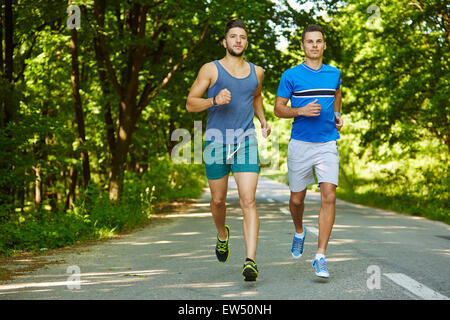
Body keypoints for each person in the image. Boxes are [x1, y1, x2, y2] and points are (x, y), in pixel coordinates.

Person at [186, 19, 271, 281]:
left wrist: (263, 120)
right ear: (224, 41)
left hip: (245, 140)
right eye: (233, 36)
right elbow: (190, 103)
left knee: (248, 200)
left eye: (242, 37)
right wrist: (214, 100)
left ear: (246, 42)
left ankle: (250, 261)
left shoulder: (257, 72)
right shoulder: (210, 69)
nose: (237, 41)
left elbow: (256, 97)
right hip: (216, 141)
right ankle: (222, 235)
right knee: (219, 201)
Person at [274, 24, 343, 278]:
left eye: (319, 41)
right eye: (310, 41)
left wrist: (336, 113)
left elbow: (337, 93)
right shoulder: (290, 75)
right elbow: (278, 109)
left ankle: (320, 256)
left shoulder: (334, 72)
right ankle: (299, 230)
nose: (314, 45)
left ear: (324, 45)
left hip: (327, 143)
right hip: (300, 144)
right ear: (302, 46)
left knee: (329, 196)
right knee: (296, 200)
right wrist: (301, 110)